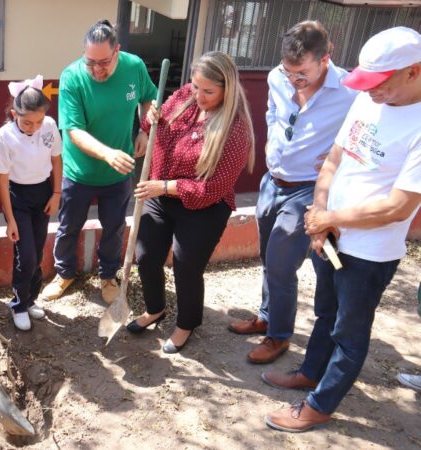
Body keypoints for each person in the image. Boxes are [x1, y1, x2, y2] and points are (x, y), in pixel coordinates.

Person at [264, 26, 421, 432]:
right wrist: (320, 213)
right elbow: (334, 160)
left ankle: (319, 404)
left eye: (379, 84)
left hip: (369, 252)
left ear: (414, 72)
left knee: (349, 333)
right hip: (332, 236)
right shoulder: (368, 102)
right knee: (324, 314)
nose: (370, 92)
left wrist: (330, 219)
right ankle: (311, 372)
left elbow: (398, 205)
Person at [228, 21, 358, 364]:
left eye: (301, 73)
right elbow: (273, 113)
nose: (293, 80)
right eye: (289, 72)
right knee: (268, 259)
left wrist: (338, 162)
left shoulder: (349, 91)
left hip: (307, 190)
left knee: (282, 266)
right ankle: (267, 315)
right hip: (272, 182)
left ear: (326, 59)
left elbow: (364, 137)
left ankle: (279, 337)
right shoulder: (276, 78)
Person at [127, 51, 255, 354]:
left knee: (186, 266)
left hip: (203, 206)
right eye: (195, 86)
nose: (198, 95)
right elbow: (152, 131)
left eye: (208, 91)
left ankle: (186, 324)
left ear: (228, 89)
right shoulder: (185, 96)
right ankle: (155, 309)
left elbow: (211, 189)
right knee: (146, 256)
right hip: (161, 193)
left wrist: (166, 186)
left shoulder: (235, 130)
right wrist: (151, 118)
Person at [41, 20, 157, 304]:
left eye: (103, 62)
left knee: (114, 226)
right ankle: (65, 273)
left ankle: (108, 275)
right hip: (79, 171)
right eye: (90, 62)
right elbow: (74, 130)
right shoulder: (72, 77)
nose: (96, 69)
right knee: (68, 226)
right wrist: (107, 154)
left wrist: (144, 128)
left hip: (119, 172)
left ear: (117, 51)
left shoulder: (134, 67)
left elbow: (149, 99)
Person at [0, 75, 63, 331]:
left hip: (43, 193)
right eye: (26, 121)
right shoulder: (5, 136)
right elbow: (1, 180)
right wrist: (10, 218)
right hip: (18, 197)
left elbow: (57, 159)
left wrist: (56, 193)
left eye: (38, 121)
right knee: (26, 254)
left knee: (37, 251)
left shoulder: (50, 126)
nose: (33, 127)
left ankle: (30, 298)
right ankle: (19, 305)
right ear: (14, 114)